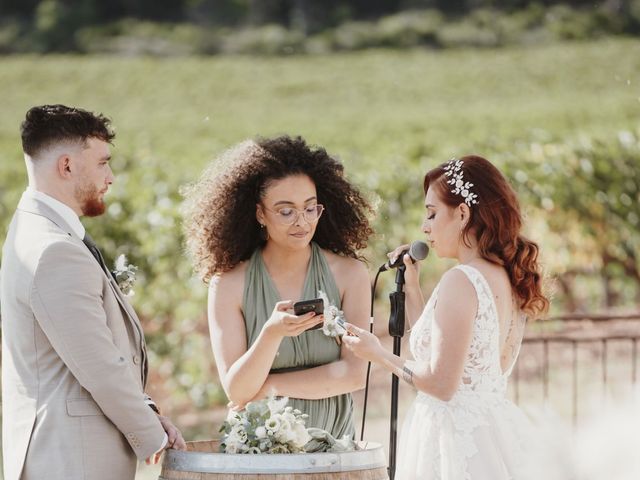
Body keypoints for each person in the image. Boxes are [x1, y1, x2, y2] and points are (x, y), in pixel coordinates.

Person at [343, 155, 559, 479]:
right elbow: (442, 356)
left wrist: (378, 354)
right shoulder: (505, 277)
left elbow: (441, 384)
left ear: (462, 213)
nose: (424, 227)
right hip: (488, 435)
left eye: (431, 213)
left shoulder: (461, 280)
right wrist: (413, 287)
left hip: (454, 444)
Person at [0, 104, 186, 480]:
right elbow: (97, 363)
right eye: (102, 163)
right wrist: (151, 435)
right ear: (67, 166)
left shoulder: (31, 230)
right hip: (72, 460)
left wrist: (145, 408)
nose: (111, 176)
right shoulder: (54, 250)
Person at [184, 136, 373, 439]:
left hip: (333, 446)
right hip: (259, 448)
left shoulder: (350, 275)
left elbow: (353, 375)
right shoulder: (229, 284)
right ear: (260, 213)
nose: (302, 222)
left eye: (310, 208)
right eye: (286, 211)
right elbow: (237, 389)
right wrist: (271, 334)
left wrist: (269, 387)